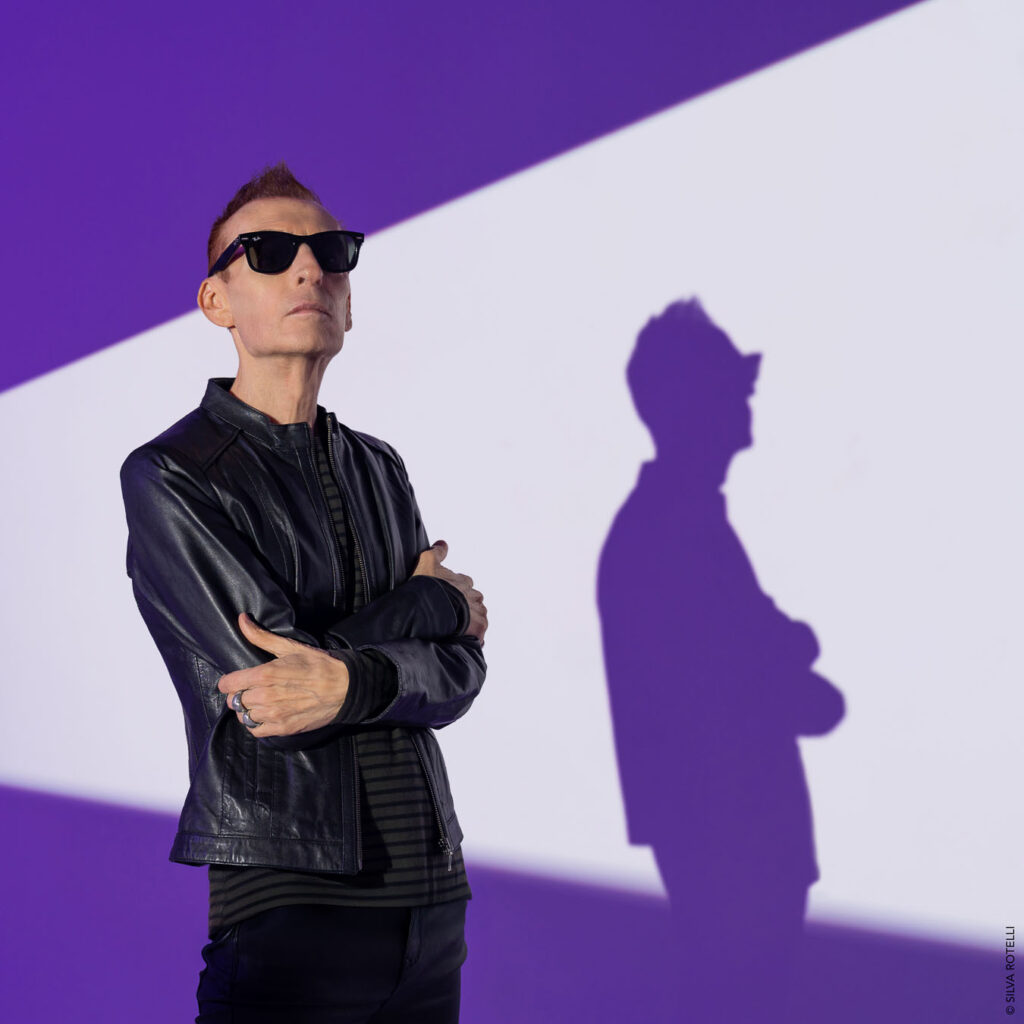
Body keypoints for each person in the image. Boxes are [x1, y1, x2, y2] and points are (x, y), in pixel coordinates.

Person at [118, 162, 488, 1023]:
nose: (309, 268)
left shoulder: (379, 467)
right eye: (271, 251)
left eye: (331, 251)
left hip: (433, 908)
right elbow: (277, 692)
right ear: (217, 301)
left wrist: (365, 671)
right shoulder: (172, 476)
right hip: (290, 910)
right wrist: (433, 606)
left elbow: (460, 675)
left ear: (349, 301)